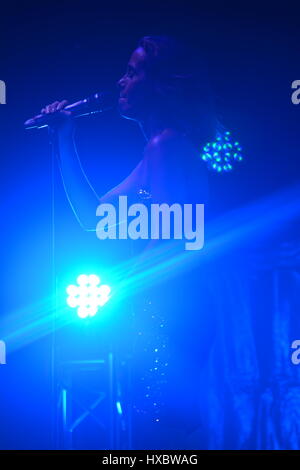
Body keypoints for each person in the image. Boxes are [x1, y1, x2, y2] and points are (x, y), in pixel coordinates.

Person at [40, 36, 225, 449]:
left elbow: (171, 246)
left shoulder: (167, 146)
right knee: (161, 433)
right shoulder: (157, 148)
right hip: (164, 314)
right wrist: (64, 138)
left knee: (163, 435)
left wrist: (115, 291)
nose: (120, 82)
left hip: (172, 318)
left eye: (132, 72)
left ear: (160, 84)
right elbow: (92, 217)